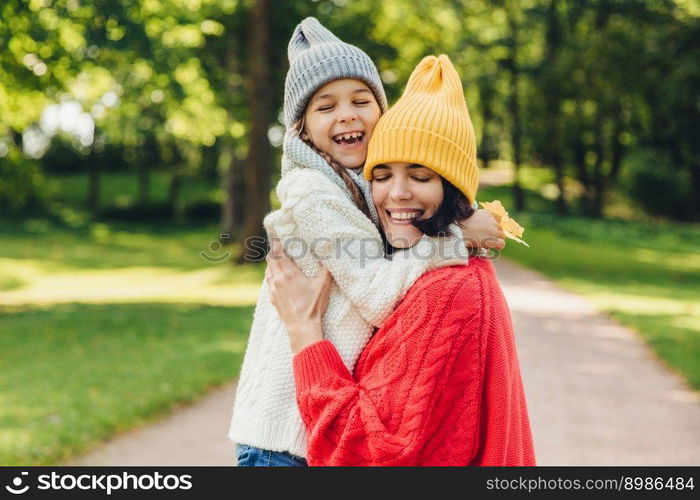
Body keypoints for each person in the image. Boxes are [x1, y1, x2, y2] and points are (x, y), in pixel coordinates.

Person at [229, 18, 504, 466]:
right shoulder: (313, 192)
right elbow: (377, 294)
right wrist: (456, 238)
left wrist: (456, 213)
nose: (347, 115)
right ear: (301, 128)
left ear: (382, 111)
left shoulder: (356, 186)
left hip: (308, 425)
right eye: (325, 107)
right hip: (284, 437)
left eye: (361, 100)